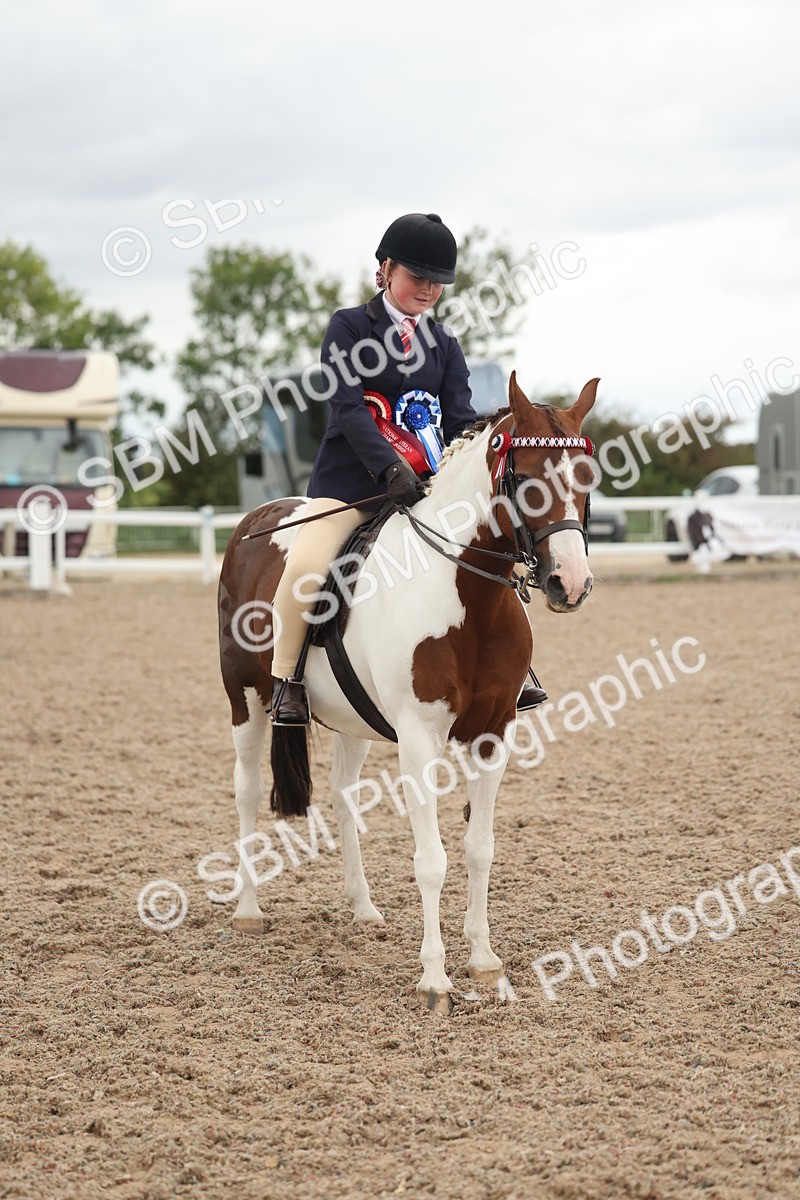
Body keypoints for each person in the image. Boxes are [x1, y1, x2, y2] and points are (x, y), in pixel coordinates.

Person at [270, 212, 546, 724]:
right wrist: (388, 468)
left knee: (493, 564)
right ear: (385, 269)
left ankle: (514, 670)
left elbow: (461, 422)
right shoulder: (349, 327)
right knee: (308, 566)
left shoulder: (444, 346)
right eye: (418, 277)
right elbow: (348, 409)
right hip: (353, 488)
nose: (428, 289)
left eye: (437, 281)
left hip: (426, 491)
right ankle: (287, 680)